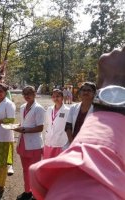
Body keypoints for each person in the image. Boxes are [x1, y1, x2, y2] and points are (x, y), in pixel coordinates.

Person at [29, 48, 125, 199]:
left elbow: (83, 183)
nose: (86, 92)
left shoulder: (97, 110)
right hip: (73, 145)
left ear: (96, 93)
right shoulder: (74, 108)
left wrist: (113, 91)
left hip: (80, 149)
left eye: (89, 90)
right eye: (83, 90)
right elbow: (68, 126)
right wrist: (74, 142)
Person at [14, 86, 45, 200]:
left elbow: (40, 127)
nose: (27, 96)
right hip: (23, 143)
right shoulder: (22, 107)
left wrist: (24, 130)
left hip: (34, 145)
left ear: (34, 93)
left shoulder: (39, 109)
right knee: (25, 169)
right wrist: (17, 127)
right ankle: (27, 191)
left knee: (35, 171)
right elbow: (23, 123)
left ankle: (37, 195)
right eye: (25, 93)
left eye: (29, 93)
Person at [43, 89, 69, 159]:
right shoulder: (49, 109)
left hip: (60, 143)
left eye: (58, 96)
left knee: (58, 166)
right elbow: (48, 124)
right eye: (53, 96)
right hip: (49, 142)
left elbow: (69, 128)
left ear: (62, 97)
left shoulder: (67, 111)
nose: (55, 98)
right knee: (47, 165)